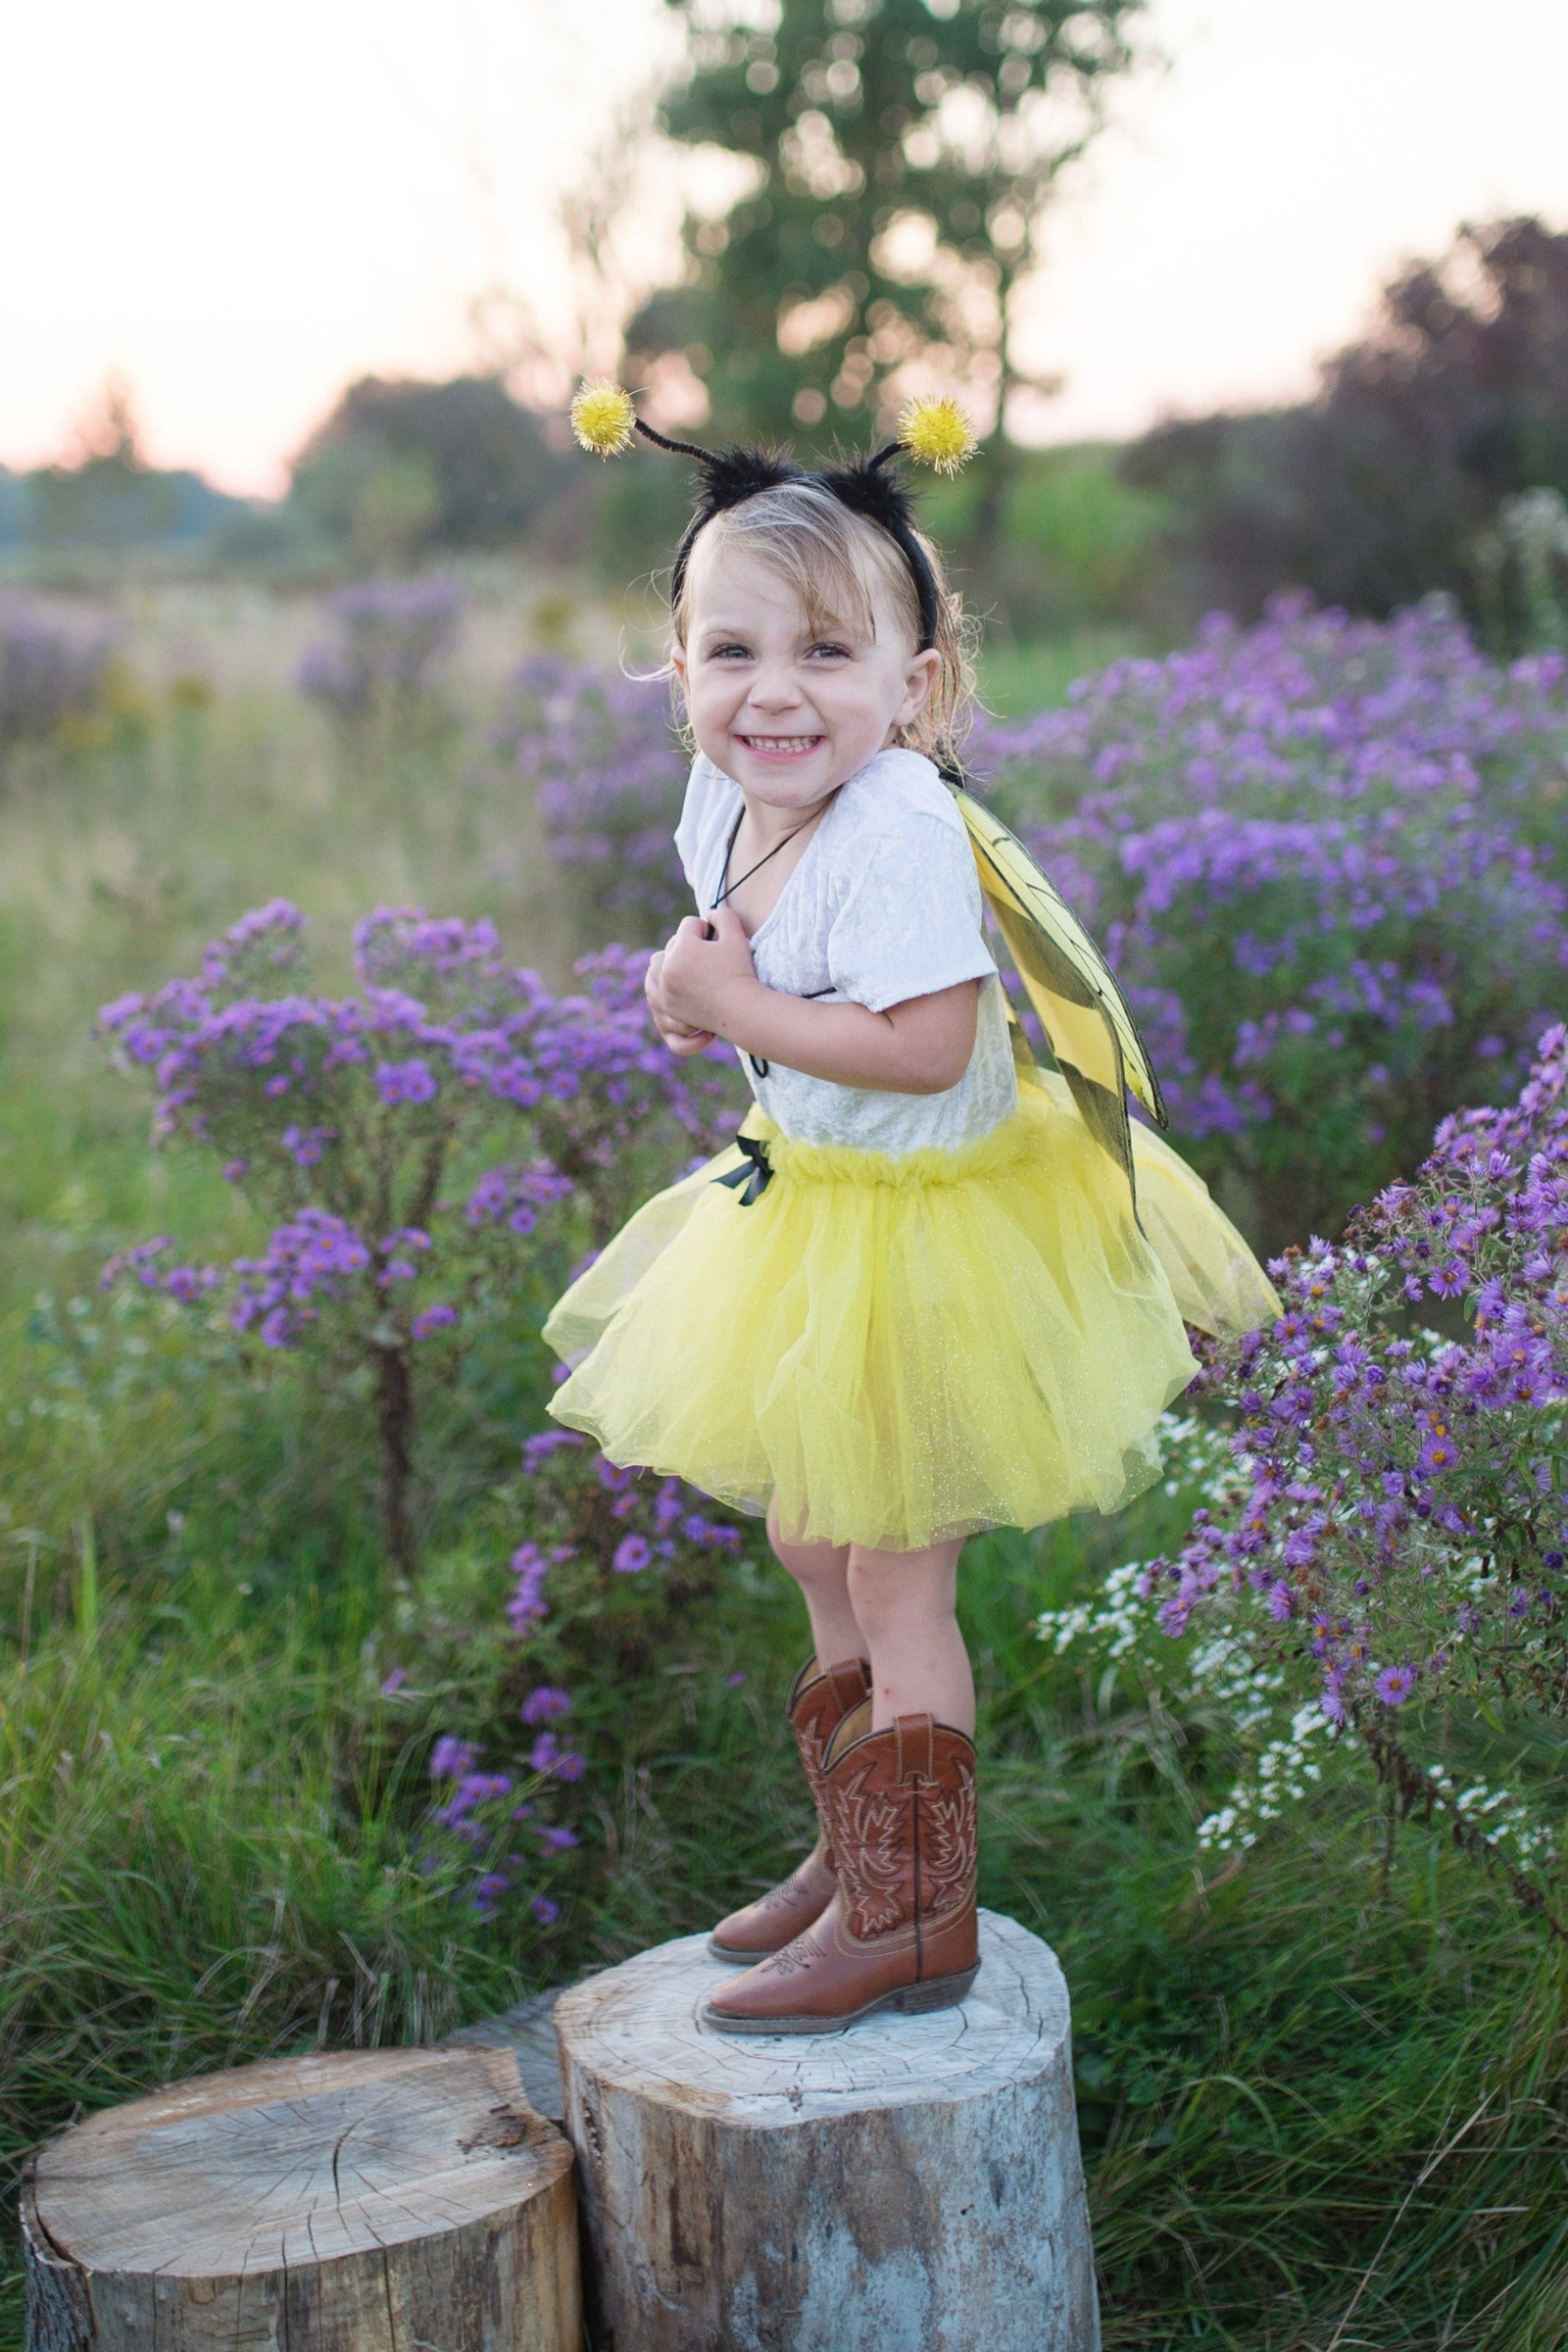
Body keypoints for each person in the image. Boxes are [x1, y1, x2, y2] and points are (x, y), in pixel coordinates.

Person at [543, 384, 1278, 2034]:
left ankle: (917, 1917)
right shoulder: (726, 799)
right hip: (812, 1209)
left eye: (827, 653)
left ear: (917, 684)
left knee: (892, 1573)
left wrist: (726, 1011)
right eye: (731, 654)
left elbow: (925, 1041)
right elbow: (748, 967)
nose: (776, 693)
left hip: (934, 1232)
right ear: (678, 673)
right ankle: (854, 1843)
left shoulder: (900, 828)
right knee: (813, 1525)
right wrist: (696, 992)